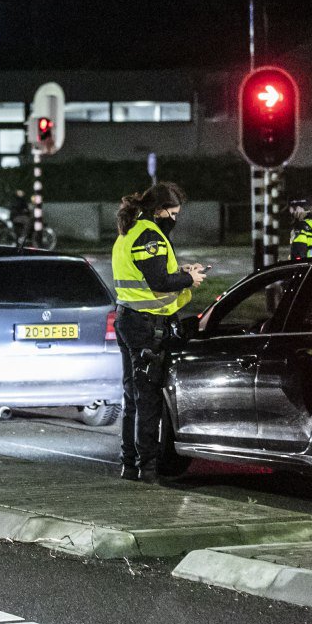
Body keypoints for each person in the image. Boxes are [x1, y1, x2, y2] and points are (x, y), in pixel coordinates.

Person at [110, 182, 206, 483]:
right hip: (145, 326)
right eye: (173, 213)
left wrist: (182, 274)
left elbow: (152, 276)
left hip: (130, 320)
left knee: (133, 397)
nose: (174, 219)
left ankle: (129, 463)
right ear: (160, 210)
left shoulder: (130, 232)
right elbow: (158, 282)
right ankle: (147, 468)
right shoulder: (150, 236)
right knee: (148, 399)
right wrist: (188, 280)